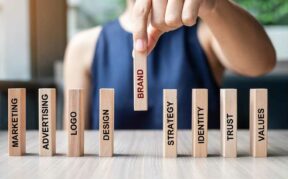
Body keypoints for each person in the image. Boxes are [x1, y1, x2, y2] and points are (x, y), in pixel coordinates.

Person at [64, 0, 276, 129]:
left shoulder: (206, 33)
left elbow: (261, 64)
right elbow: (74, 143)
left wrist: (214, 5)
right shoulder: (84, 46)